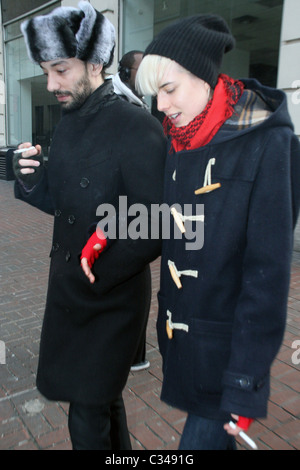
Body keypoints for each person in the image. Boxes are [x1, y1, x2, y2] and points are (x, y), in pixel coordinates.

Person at [134, 15, 300, 449]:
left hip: (227, 351)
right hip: (186, 340)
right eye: (156, 95)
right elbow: (172, 224)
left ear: (205, 77)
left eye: (168, 90)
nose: (161, 107)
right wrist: (107, 232)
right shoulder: (180, 137)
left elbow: (268, 274)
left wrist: (246, 380)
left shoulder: (268, 144)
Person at [13, 1, 166, 450]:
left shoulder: (136, 124)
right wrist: (30, 180)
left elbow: (155, 221)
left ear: (95, 61)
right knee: (100, 400)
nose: (50, 83)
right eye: (46, 70)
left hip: (110, 294)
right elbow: (67, 205)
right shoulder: (69, 122)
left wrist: (95, 268)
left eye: (60, 69)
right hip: (69, 292)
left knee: (87, 409)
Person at [111, 51, 150, 372]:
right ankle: (126, 353)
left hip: (136, 206)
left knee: (137, 276)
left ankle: (135, 353)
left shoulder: (139, 101)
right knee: (126, 274)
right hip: (118, 206)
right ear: (125, 71)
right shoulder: (115, 103)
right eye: (142, 67)